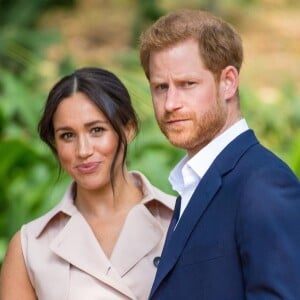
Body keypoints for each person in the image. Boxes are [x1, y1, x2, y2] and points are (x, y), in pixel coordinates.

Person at [139, 9, 300, 299]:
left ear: (228, 81)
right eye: (160, 87)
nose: (170, 103)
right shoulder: (194, 183)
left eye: (187, 84)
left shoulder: (263, 184)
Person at [0, 67, 175, 300]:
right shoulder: (30, 247)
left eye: (96, 130)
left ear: (129, 128)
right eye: (67, 136)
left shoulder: (180, 220)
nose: (83, 151)